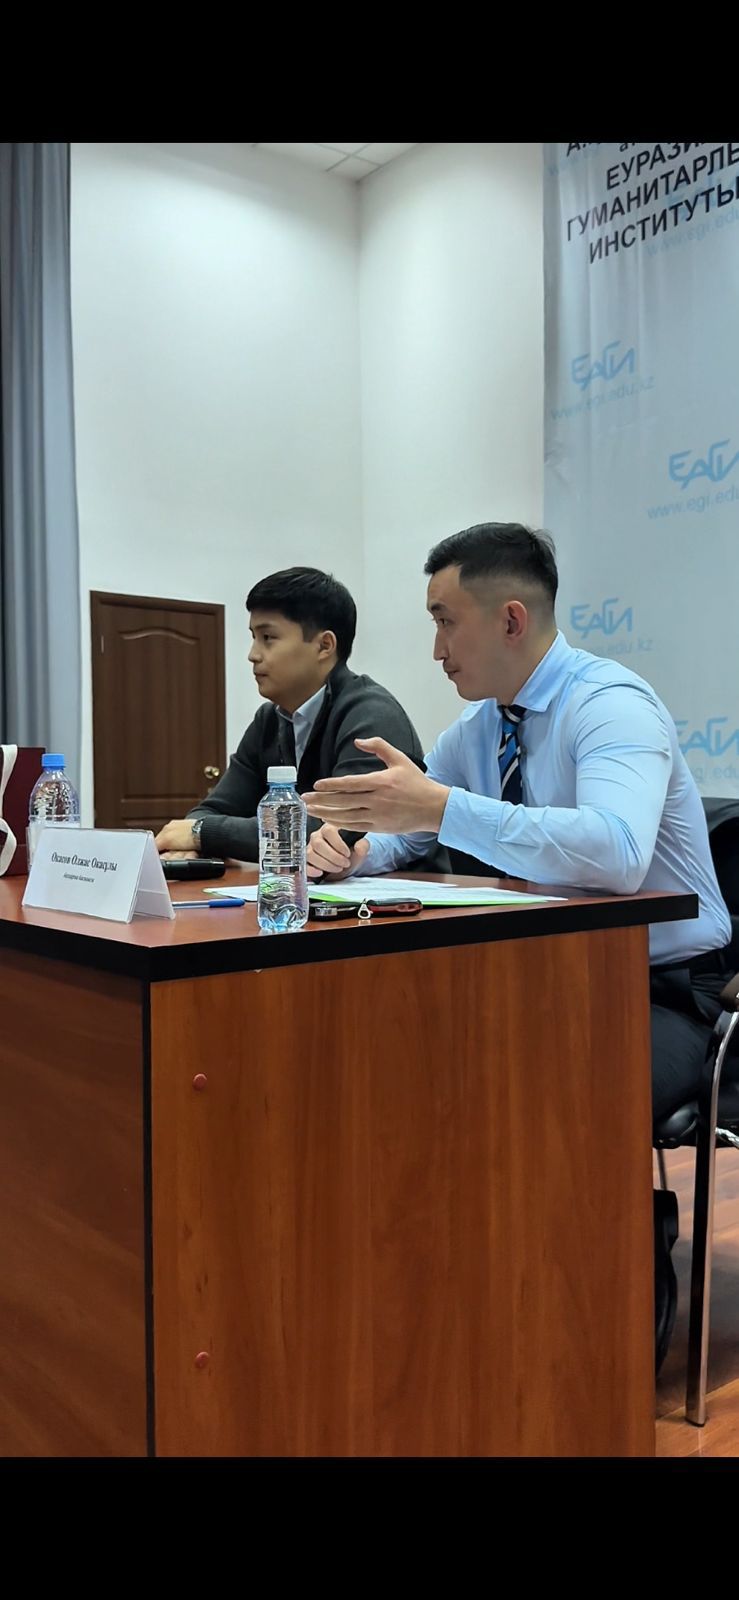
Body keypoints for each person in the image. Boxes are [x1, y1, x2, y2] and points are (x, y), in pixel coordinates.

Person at [302, 522, 735, 1369]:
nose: (434, 651)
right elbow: (416, 831)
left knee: (529, 1078)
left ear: (509, 619)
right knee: (413, 1056)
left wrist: (437, 809)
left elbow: (615, 852)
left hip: (667, 988)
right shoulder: (479, 729)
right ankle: (462, 1287)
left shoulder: (609, 704)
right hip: (547, 977)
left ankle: (615, 1260)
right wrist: (357, 852)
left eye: (444, 622)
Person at [155, 565, 429, 864]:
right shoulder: (269, 721)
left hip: (403, 890)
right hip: (296, 889)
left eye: (268, 637)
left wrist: (203, 834)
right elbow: (213, 810)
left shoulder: (371, 715)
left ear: (324, 646)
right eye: (253, 637)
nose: (252, 654)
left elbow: (332, 831)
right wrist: (195, 835)